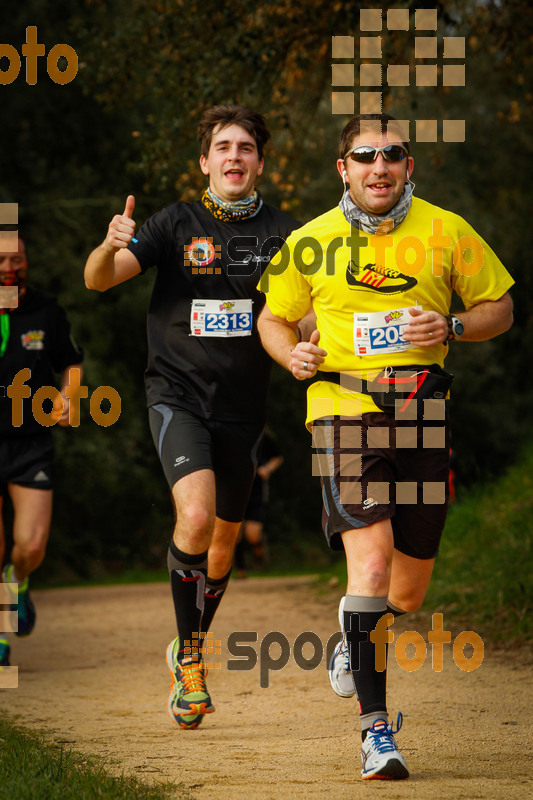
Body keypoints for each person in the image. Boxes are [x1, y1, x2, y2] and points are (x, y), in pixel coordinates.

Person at [257, 113, 514, 780]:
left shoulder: (446, 229)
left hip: (424, 416)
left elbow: (500, 307)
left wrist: (452, 322)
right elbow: (273, 317)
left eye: (391, 155)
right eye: (364, 156)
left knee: (404, 593)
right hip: (342, 412)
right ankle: (377, 734)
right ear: (342, 168)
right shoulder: (310, 241)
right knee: (368, 570)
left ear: (408, 164)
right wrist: (293, 355)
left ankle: (356, 631)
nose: (379, 166)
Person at [84, 105, 300, 729]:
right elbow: (100, 281)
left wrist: (312, 340)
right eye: (222, 147)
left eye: (246, 148)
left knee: (225, 548)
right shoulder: (174, 222)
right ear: (204, 161)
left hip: (243, 408)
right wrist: (108, 245)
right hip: (176, 394)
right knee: (197, 517)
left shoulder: (287, 235)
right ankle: (194, 662)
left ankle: (190, 640)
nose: (235, 156)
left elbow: (300, 315)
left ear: (260, 162)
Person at [0, 236, 83, 668]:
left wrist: (69, 397)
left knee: (30, 546)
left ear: (27, 262)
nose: (9, 266)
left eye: (16, 258)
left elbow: (70, 361)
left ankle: (17, 581)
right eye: (1, 259)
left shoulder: (46, 311)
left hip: (31, 440)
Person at [234, 429, 284, 577]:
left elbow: (278, 457)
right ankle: (241, 569)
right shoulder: (228, 431)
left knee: (252, 534)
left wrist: (267, 469)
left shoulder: (261, 435)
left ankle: (259, 546)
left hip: (256, 490)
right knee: (235, 533)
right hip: (234, 491)